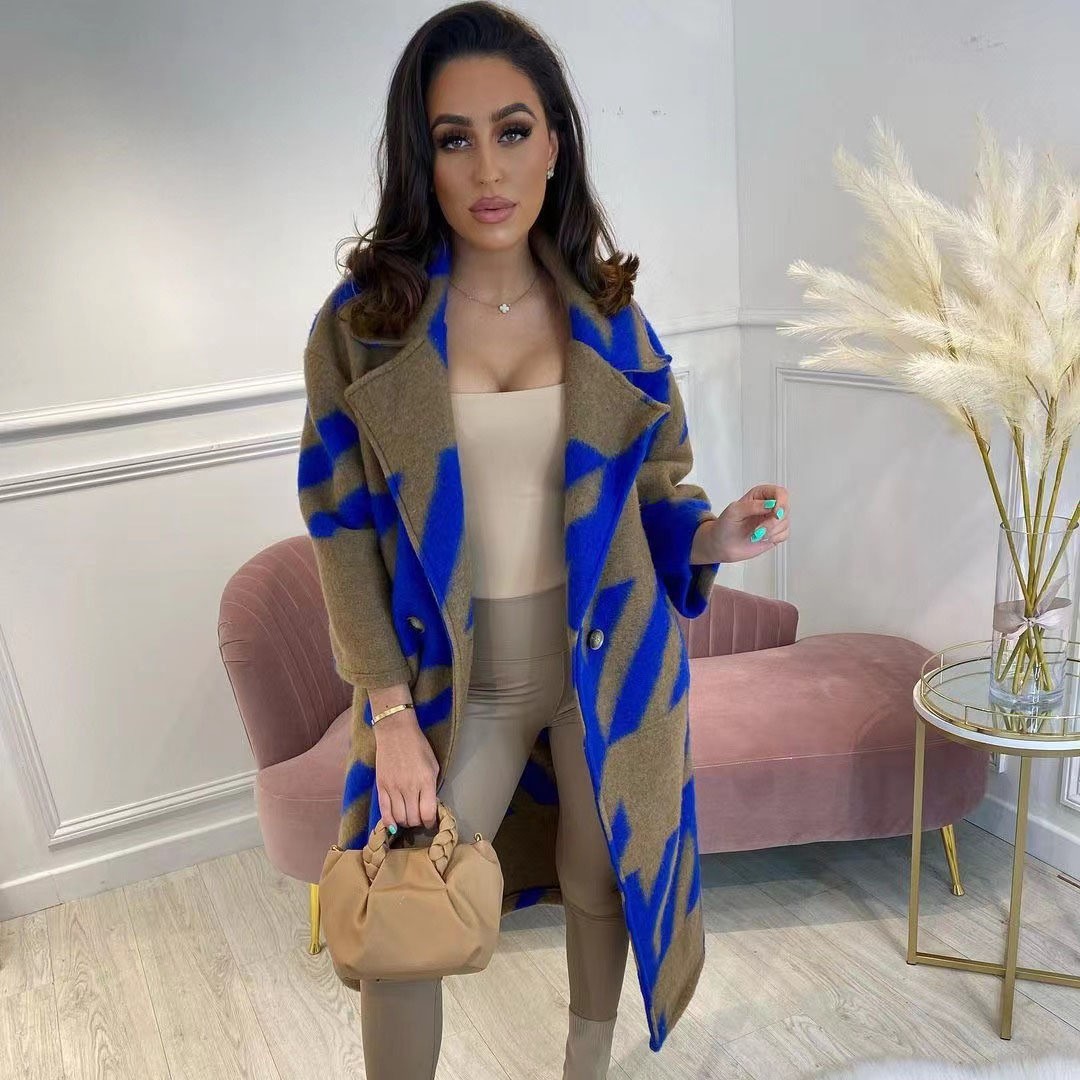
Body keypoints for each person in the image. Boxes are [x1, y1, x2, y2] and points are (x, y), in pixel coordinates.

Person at [297, 4, 790, 1078]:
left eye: (513, 131)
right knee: (405, 915)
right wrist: (390, 717)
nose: (489, 168)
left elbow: (656, 492)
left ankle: (585, 1068)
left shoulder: (611, 314)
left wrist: (714, 535)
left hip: (605, 665)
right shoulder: (361, 328)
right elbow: (340, 534)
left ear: (555, 143)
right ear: (419, 156)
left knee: (602, 879)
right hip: (454, 684)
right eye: (454, 137)